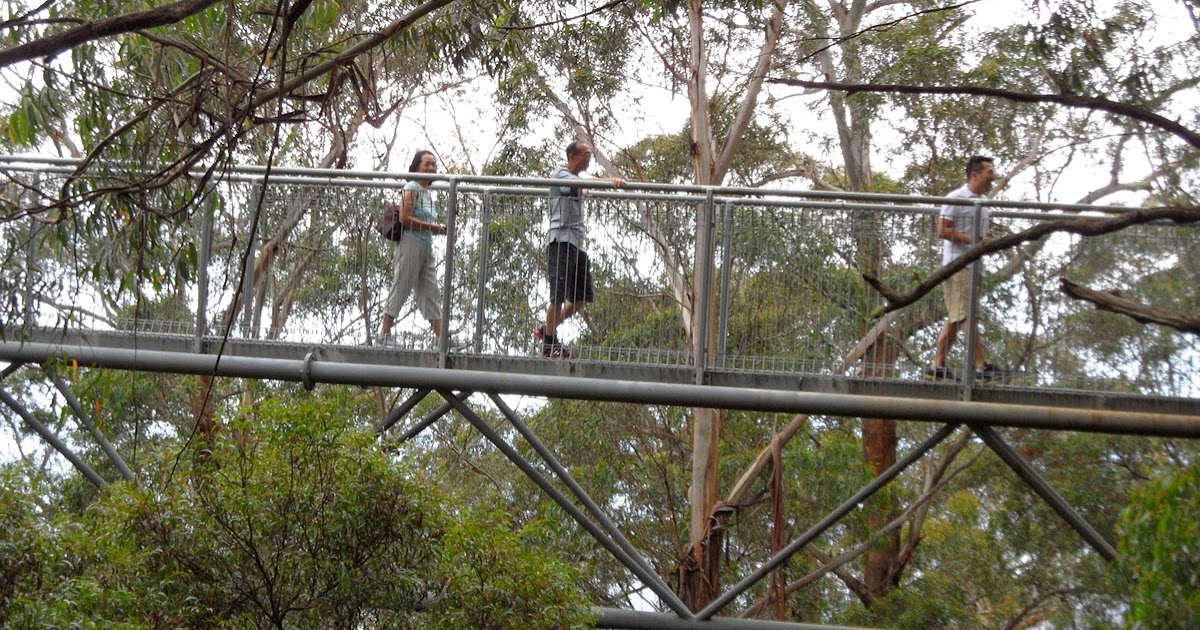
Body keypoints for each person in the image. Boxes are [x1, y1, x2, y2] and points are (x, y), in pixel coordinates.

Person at [535, 140, 623, 358]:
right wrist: (609, 181)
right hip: (561, 241)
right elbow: (576, 183)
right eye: (586, 154)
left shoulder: (573, 179)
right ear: (572, 156)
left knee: (580, 298)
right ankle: (549, 344)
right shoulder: (560, 174)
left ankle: (546, 330)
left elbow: (580, 184)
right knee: (558, 295)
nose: (589, 158)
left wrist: (585, 187)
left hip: (577, 244)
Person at [928, 155, 1004, 380]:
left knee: (957, 316)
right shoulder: (956, 198)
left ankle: (937, 365)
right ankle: (981, 366)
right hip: (958, 265)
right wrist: (971, 241)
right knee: (965, 316)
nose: (993, 177)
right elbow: (942, 231)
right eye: (990, 172)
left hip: (975, 267)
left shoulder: (983, 203)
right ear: (975, 175)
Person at [377, 150, 461, 350]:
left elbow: (421, 219)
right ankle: (383, 335)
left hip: (425, 245)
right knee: (402, 285)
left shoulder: (427, 193)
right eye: (427, 164)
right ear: (416, 166)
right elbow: (404, 218)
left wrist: (435, 229)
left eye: (433, 164)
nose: (431, 168)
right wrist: (434, 228)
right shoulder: (412, 187)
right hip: (411, 242)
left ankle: (442, 339)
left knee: (431, 290)